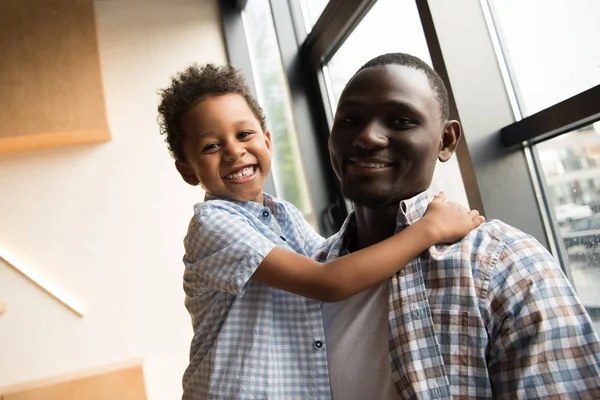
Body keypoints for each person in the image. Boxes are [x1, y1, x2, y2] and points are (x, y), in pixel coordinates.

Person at [156, 63, 484, 399]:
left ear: (267, 142)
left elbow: (336, 256)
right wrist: (428, 229)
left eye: (244, 134)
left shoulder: (284, 214)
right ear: (188, 171)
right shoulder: (212, 223)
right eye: (211, 146)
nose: (234, 151)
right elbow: (326, 280)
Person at [316, 52, 600, 399]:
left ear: (446, 141)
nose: (368, 137)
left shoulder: (505, 264)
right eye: (350, 119)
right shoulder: (308, 272)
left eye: (402, 120)